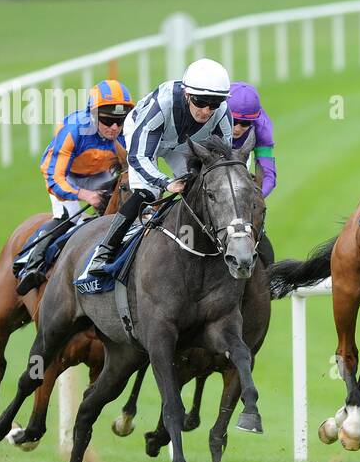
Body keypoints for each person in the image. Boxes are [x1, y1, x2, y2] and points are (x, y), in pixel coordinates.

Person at [78, 58, 233, 286]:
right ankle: (103, 253)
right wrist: (165, 183)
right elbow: (138, 156)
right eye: (201, 102)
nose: (207, 111)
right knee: (147, 192)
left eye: (215, 103)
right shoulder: (163, 105)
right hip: (147, 135)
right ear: (188, 95)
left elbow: (228, 162)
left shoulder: (222, 114)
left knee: (200, 188)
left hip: (181, 143)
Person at [13, 80, 133, 294]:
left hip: (100, 175)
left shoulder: (125, 134)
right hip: (65, 175)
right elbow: (54, 177)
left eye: (120, 120)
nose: (115, 127)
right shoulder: (74, 130)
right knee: (70, 216)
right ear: (93, 115)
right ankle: (30, 262)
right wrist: (84, 195)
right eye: (107, 120)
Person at [227, 82, 276, 198]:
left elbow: (268, 175)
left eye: (245, 123)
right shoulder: (212, 118)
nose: (237, 129)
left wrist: (256, 197)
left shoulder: (261, 129)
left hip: (242, 154)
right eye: (233, 121)